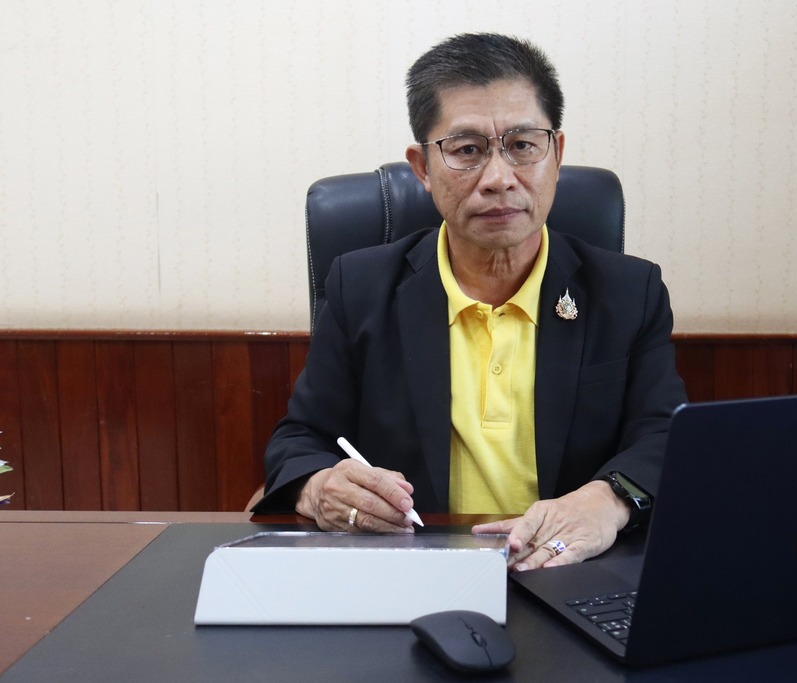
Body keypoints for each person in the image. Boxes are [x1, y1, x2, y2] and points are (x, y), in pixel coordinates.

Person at [254, 33, 686, 572]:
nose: (499, 179)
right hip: (415, 569)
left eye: (523, 145)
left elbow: (665, 437)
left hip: (570, 568)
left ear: (556, 154)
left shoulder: (628, 292)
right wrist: (320, 488)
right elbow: (299, 440)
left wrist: (609, 499)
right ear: (422, 167)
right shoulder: (360, 287)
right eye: (466, 150)